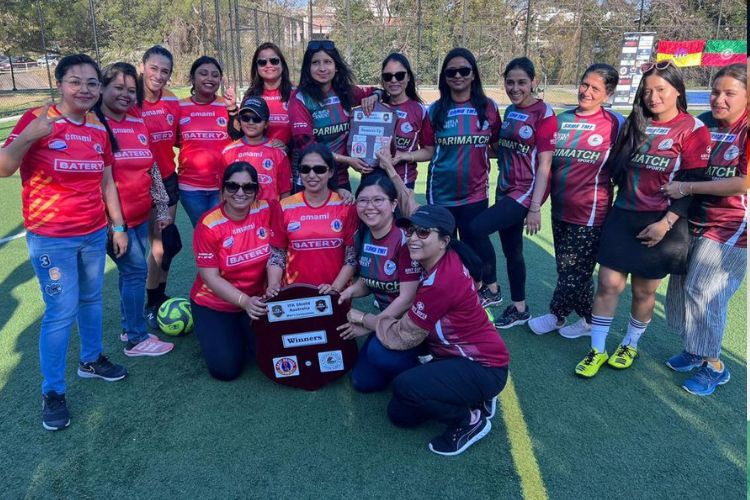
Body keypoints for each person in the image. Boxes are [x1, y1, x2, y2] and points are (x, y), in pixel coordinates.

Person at [0, 54, 129, 431]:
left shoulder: (97, 128)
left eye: (92, 83)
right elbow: (4, 166)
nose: (85, 89)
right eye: (76, 81)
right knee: (60, 311)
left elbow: (106, 181)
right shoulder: (37, 121)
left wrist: (117, 226)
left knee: (91, 300)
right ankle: (52, 391)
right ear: (60, 84)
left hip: (92, 233)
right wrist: (28, 136)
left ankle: (90, 360)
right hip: (51, 238)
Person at [574, 60, 711, 378]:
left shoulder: (693, 129)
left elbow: (694, 185)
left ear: (677, 90)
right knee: (607, 285)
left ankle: (630, 344)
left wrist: (665, 223)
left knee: (643, 292)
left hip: (665, 222)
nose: (653, 97)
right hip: (623, 215)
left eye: (661, 89)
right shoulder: (633, 125)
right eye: (647, 91)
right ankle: (596, 350)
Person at [347, 205, 509, 456]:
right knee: (400, 416)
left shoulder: (442, 281)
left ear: (445, 240)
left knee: (405, 387)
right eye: (411, 231)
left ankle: (468, 420)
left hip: (482, 365)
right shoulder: (441, 257)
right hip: (458, 355)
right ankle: (472, 394)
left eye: (423, 233)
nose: (412, 238)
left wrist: (362, 318)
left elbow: (403, 336)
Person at [662, 63, 747, 395]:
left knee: (705, 291)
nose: (719, 99)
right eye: (715, 91)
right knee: (682, 288)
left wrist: (687, 189)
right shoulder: (705, 124)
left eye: (730, 93)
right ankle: (696, 350)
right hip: (693, 220)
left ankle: (715, 366)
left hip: (731, 225)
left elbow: (742, 182)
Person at [527, 64, 624, 338]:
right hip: (560, 210)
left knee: (575, 271)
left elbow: (623, 165)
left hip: (592, 214)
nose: (587, 92)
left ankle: (555, 315)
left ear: (608, 93)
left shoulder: (615, 124)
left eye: (595, 88)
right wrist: (536, 206)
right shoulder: (559, 120)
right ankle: (589, 319)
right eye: (584, 84)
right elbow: (545, 167)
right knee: (568, 268)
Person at [93, 62, 175, 357]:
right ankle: (137, 339)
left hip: (140, 217)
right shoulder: (94, 125)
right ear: (102, 87)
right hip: (113, 223)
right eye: (118, 88)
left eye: (131, 90)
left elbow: (151, 169)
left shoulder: (136, 122)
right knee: (136, 272)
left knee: (129, 274)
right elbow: (98, 180)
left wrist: (162, 206)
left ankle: (129, 326)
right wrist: (115, 225)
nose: (125, 95)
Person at [471, 56, 558, 328]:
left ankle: (492, 288)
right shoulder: (510, 112)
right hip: (505, 187)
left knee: (475, 229)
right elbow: (501, 150)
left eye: (522, 82)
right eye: (510, 82)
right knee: (513, 252)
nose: (515, 88)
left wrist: (534, 208)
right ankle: (520, 308)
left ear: (534, 82)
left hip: (524, 192)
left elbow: (545, 165)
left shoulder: (544, 114)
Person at [420, 48, 501, 307]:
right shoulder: (434, 111)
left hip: (476, 193)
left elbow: (496, 145)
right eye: (451, 72)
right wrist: (401, 156)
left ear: (474, 74)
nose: (458, 76)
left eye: (464, 70)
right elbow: (428, 150)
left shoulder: (488, 108)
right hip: (440, 193)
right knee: (443, 246)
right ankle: (448, 290)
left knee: (475, 241)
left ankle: (491, 288)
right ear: (444, 77)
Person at [190, 162, 282, 380]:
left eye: (248, 187)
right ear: (222, 190)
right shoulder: (209, 224)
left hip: (257, 300)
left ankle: (239, 330)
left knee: (271, 354)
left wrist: (274, 284)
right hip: (215, 303)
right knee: (226, 370)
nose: (240, 193)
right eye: (232, 186)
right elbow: (210, 277)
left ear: (256, 191)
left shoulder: (268, 208)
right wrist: (244, 301)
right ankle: (211, 327)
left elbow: (277, 251)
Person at [336, 172, 423, 392]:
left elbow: (407, 299)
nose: (369, 207)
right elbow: (370, 281)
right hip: (388, 320)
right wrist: (347, 293)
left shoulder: (405, 240)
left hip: (416, 323)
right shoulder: (363, 234)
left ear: (393, 204)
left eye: (378, 200)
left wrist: (368, 323)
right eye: (363, 200)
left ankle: (427, 359)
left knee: (383, 360)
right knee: (362, 382)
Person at [289, 40, 381, 192]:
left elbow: (377, 91)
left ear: (336, 66)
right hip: (310, 178)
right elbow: (308, 147)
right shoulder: (299, 99)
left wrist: (374, 97)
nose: (322, 68)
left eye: (328, 62)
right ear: (308, 68)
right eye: (316, 63)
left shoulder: (344, 92)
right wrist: (348, 160)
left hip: (340, 178)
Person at [266, 144, 359, 295]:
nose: (311, 175)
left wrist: (334, 289)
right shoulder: (284, 206)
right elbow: (277, 254)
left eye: (319, 169)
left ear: (331, 172)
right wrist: (274, 285)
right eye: (305, 169)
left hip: (336, 293)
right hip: (295, 296)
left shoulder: (346, 206)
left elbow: (352, 257)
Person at [137, 45, 182, 327]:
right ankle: (135, 310)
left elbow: (180, 138)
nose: (159, 75)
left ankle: (156, 300)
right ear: (142, 67)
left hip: (166, 180)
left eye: (165, 70)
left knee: (163, 246)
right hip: (133, 183)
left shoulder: (172, 101)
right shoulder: (129, 101)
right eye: (154, 68)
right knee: (130, 253)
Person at [177, 56, 234, 227]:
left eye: (215, 75)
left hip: (222, 186)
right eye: (203, 74)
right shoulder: (179, 107)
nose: (209, 78)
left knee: (222, 231)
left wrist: (233, 109)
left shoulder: (227, 105)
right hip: (190, 188)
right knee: (203, 230)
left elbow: (239, 137)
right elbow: (173, 140)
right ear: (192, 78)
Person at [222, 96, 292, 201]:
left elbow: (285, 192)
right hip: (240, 214)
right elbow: (223, 191)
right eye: (246, 118)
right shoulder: (229, 152)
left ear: (266, 124)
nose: (251, 122)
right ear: (240, 121)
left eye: (257, 119)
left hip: (269, 214)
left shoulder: (278, 152)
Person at [228, 42, 294, 150]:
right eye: (262, 62)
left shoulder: (296, 95)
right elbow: (238, 134)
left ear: (282, 65)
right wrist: (232, 108)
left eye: (274, 61)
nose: (268, 65)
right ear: (256, 67)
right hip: (256, 159)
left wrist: (288, 148)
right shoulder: (250, 95)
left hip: (289, 160)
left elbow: (304, 133)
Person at [380, 53, 428, 190]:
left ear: (408, 77)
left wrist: (404, 156)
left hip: (404, 182)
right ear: (383, 80)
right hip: (374, 182)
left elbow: (429, 151)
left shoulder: (419, 110)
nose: (393, 80)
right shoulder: (375, 106)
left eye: (399, 75)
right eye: (388, 76)